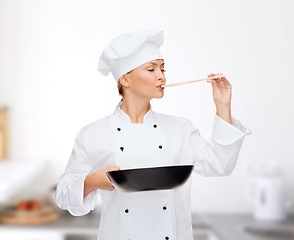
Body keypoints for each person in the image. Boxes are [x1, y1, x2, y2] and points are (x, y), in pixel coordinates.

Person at [55, 28, 252, 240]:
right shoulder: (93, 134)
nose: (162, 77)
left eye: (163, 69)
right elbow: (64, 196)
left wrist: (223, 106)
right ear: (125, 79)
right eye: (151, 69)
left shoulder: (180, 129)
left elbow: (219, 165)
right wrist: (92, 181)